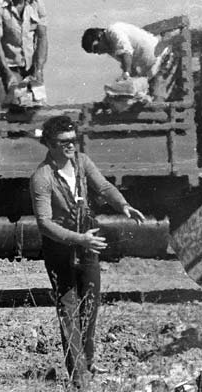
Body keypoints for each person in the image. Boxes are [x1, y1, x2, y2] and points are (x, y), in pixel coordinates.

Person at [29, 116, 145, 388]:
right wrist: (79, 239)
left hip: (87, 241)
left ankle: (88, 363)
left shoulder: (82, 162)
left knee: (90, 306)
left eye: (73, 140)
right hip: (61, 248)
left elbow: (103, 186)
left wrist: (123, 205)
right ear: (49, 144)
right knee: (69, 308)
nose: (70, 146)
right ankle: (79, 376)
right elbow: (44, 224)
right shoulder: (42, 177)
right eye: (63, 142)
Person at [81, 22, 162, 80]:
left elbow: (126, 52)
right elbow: (130, 66)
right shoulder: (111, 49)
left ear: (99, 37)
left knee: (158, 95)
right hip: (151, 69)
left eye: (95, 49)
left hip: (161, 59)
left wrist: (126, 74)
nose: (98, 53)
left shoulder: (113, 31)